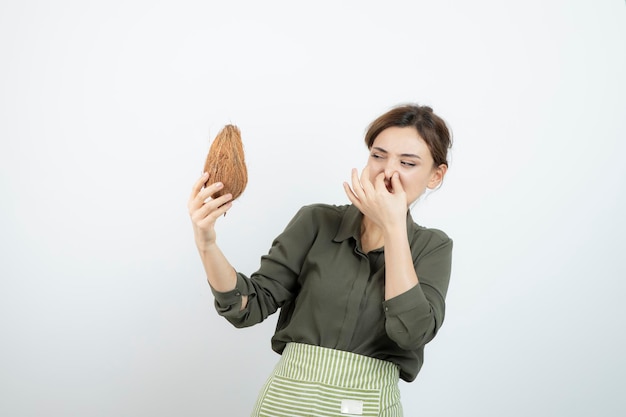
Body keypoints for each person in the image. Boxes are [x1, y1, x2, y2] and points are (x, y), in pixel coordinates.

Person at [188, 103, 453, 417]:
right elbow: (248, 307)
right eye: (378, 156)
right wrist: (206, 241)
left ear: (436, 175)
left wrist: (394, 227)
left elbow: (411, 333)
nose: (387, 172)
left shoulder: (432, 246)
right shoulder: (316, 221)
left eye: (407, 162)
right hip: (284, 404)